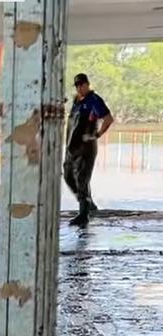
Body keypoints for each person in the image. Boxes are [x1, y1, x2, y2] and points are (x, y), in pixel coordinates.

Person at [64, 73, 114, 227]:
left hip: (86, 148)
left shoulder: (94, 100)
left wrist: (97, 135)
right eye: (77, 85)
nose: (80, 88)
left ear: (87, 84)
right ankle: (88, 203)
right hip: (72, 147)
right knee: (68, 175)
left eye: (82, 85)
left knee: (82, 180)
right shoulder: (76, 101)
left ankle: (83, 215)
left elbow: (108, 118)